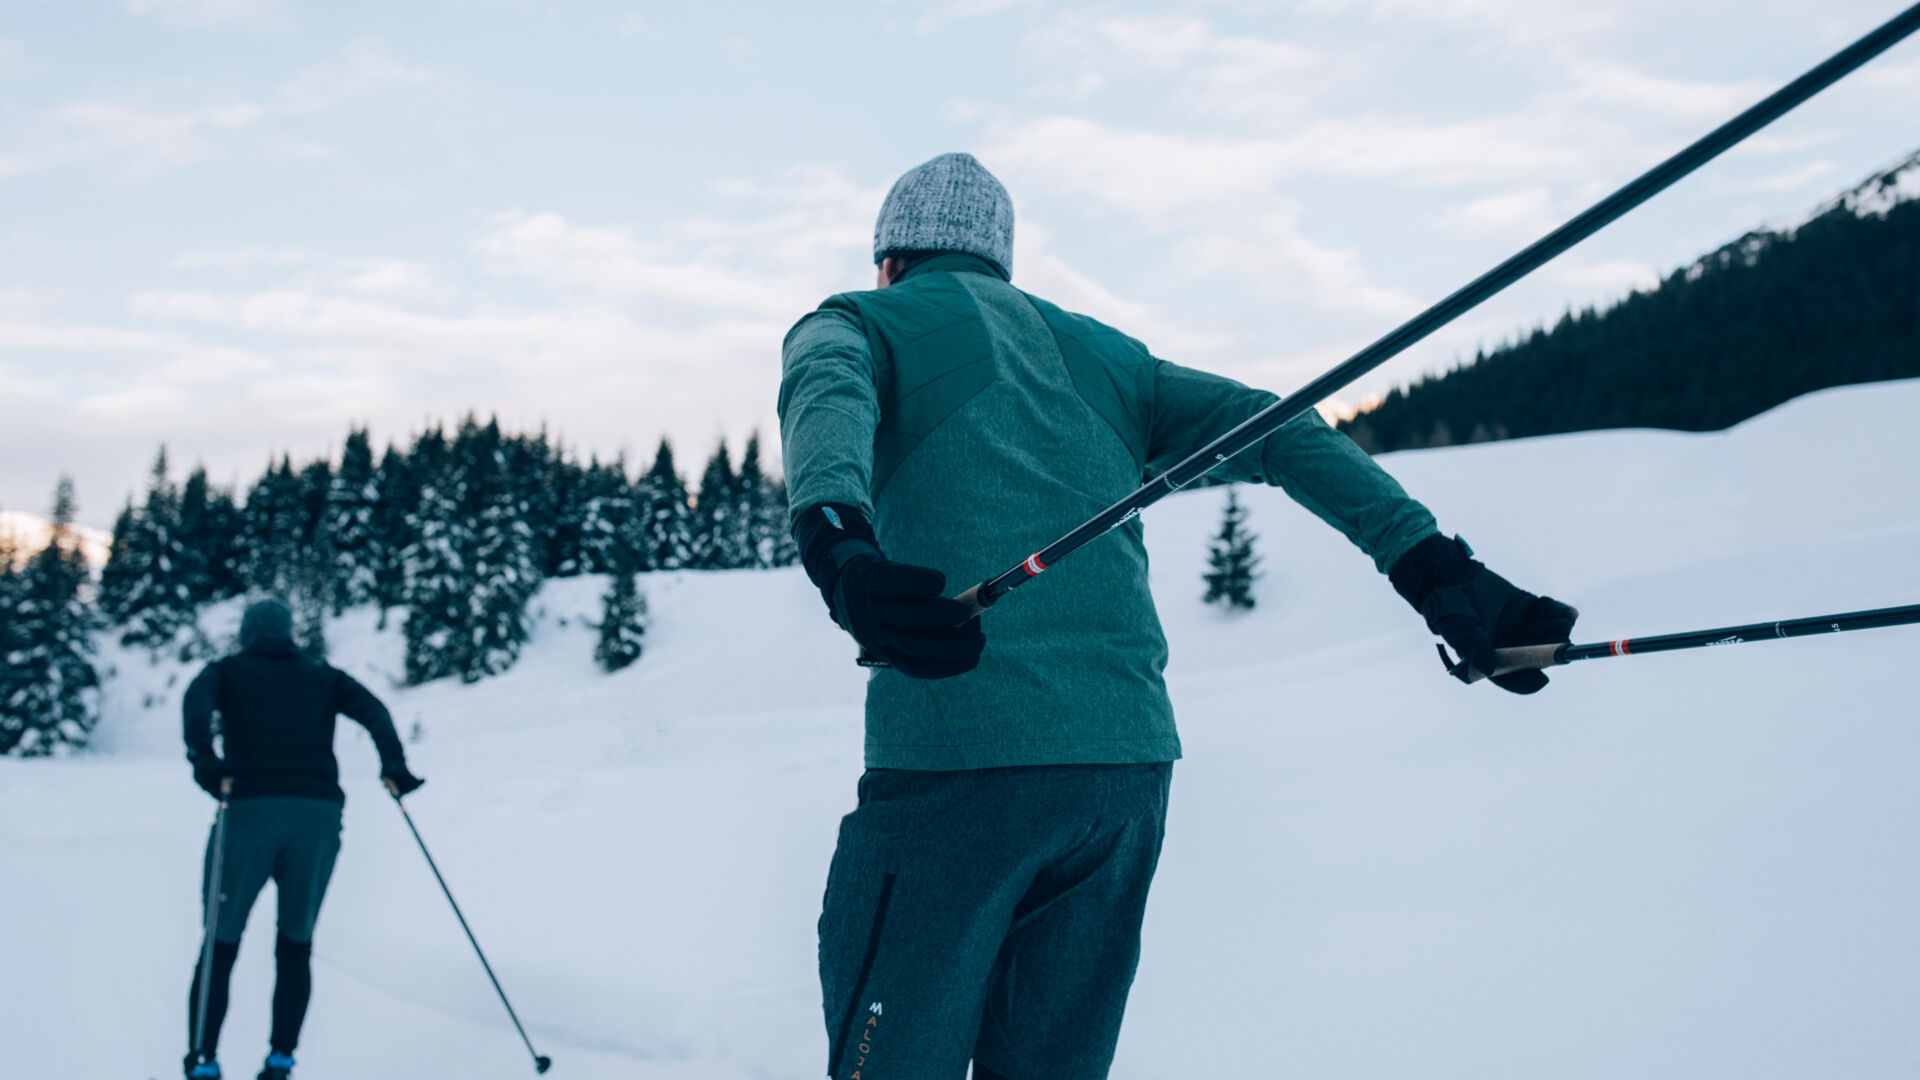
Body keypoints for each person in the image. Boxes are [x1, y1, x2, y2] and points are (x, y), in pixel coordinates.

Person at [777, 152, 1576, 1080]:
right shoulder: (1113, 360)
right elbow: (1278, 428)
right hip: (1123, 782)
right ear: (1000, 262)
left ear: (891, 259)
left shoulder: (857, 321)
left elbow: (825, 398)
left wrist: (842, 550)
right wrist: (1433, 567)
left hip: (959, 766)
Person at [180, 599, 425, 1080]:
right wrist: (393, 767)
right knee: (295, 942)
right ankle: (280, 1061)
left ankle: (203, 1063)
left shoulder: (226, 670)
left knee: (221, 942)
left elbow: (195, 710)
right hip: (317, 819)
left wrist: (209, 768)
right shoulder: (322, 674)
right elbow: (374, 711)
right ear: (289, 633)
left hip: (249, 813)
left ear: (247, 633)